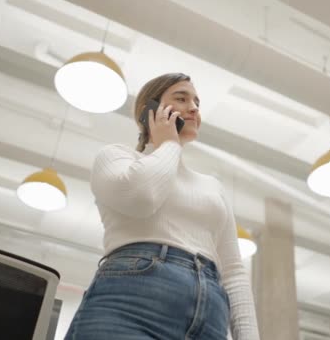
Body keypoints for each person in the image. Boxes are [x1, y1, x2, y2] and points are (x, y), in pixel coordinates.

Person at [65, 73, 260, 340]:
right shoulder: (116, 157)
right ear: (150, 110)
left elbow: (234, 272)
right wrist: (168, 143)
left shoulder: (213, 187)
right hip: (133, 301)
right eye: (181, 98)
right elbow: (142, 198)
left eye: (197, 103)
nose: (193, 108)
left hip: (211, 312)